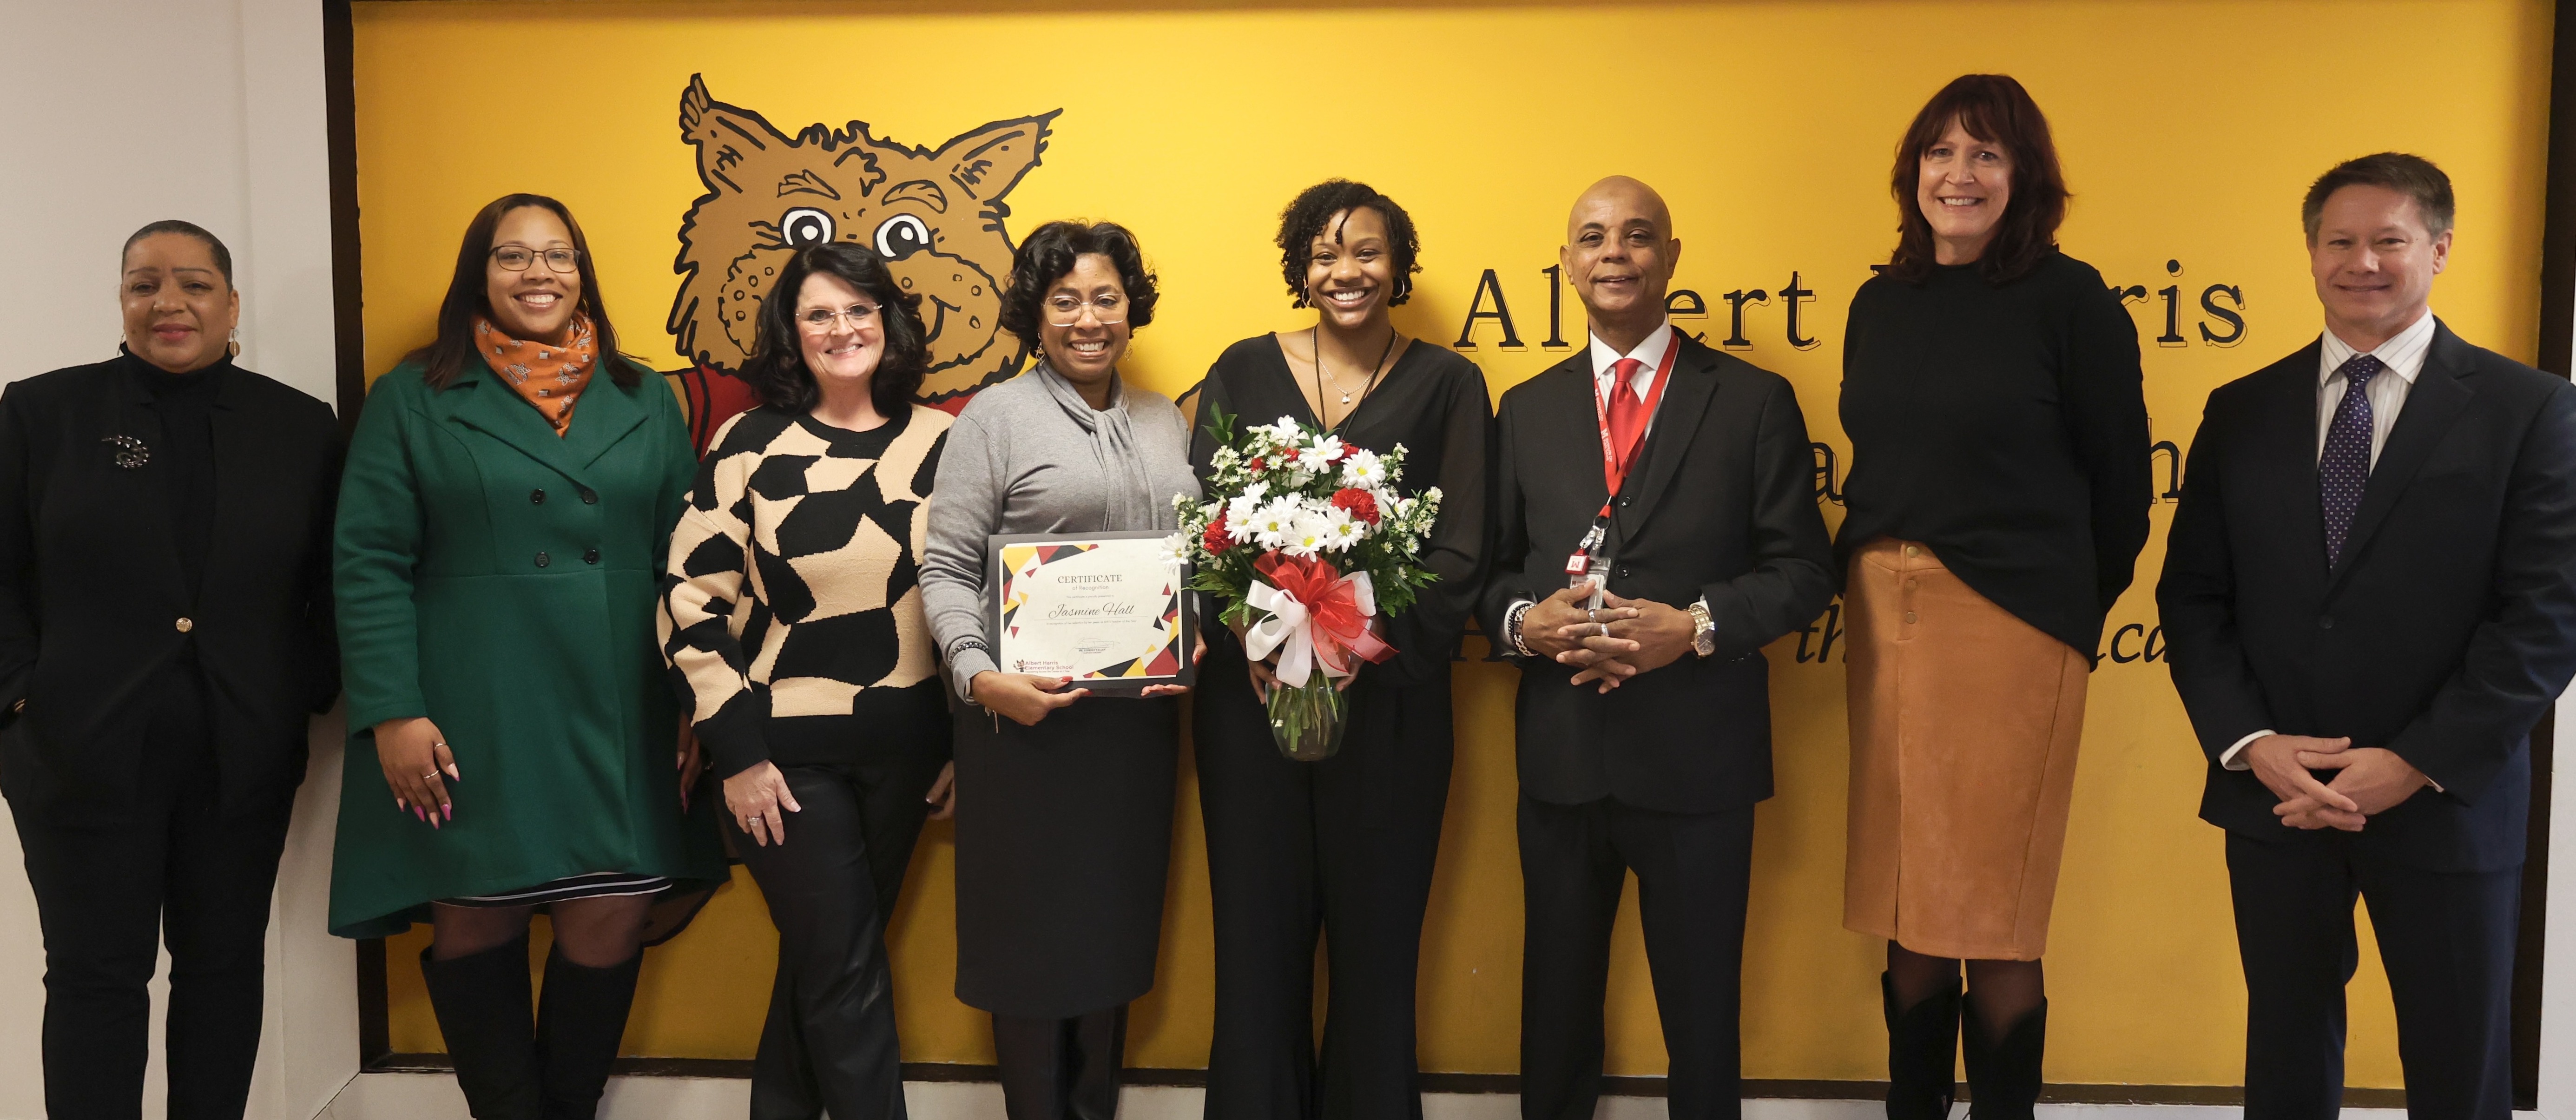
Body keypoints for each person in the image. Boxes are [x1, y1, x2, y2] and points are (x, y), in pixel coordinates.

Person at [2159, 153, 2576, 1120]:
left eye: (2389, 240)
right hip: (2280, 796)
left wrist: (2416, 759)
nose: (2364, 262)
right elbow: (2195, 598)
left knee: (2459, 1065)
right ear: (2310, 254)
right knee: (2287, 1056)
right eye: (2340, 241)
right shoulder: (2242, 409)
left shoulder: (2531, 410)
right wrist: (2252, 744)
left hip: (2445, 799)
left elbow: (2548, 616)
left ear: (2438, 248)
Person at [329, 193, 726, 1120]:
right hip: (474, 701)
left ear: (583, 272)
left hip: (625, 697)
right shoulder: (413, 393)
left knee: (614, 907)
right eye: (513, 256)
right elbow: (369, 558)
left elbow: (691, 563)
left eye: (557, 255)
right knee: (477, 911)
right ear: (480, 273)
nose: (538, 273)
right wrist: (393, 707)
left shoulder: (643, 396)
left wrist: (690, 700)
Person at [1478, 177, 1834, 1120]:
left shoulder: (1754, 400)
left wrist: (1698, 625)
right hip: (1562, 757)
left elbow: (1804, 570)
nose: (1615, 253)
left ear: (1672, 257)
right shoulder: (1525, 408)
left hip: (1699, 758)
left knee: (1703, 1018)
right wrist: (1526, 621)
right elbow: (1486, 575)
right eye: (1593, 237)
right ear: (1567, 263)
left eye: (1638, 236)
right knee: (1553, 1015)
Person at [1832, 74, 2150, 1118]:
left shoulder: (2073, 300)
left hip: (2014, 627)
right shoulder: (1880, 301)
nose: (1958, 174)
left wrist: (2055, 614)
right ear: (1911, 172)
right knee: (1905, 896)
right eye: (1940, 152)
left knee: (1994, 911)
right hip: (1885, 618)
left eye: (1986, 155)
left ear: (2026, 180)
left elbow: (2121, 490)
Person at [0, 221, 339, 1119]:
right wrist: (20, 697)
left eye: (193, 284)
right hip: (76, 755)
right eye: (144, 284)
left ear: (232, 305)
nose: (168, 304)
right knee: (94, 978)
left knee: (224, 971)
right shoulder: (41, 414)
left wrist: (300, 688)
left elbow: (334, 584)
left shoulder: (301, 427)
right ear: (121, 300)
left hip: (243, 756)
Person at [1188, 180, 1491, 1120]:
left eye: (1366, 250)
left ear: (1398, 262)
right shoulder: (1241, 367)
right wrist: (1258, 627)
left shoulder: (1448, 381)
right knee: (1255, 944)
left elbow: (1463, 548)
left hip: (1391, 706)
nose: (1345, 270)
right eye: (1325, 253)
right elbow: (1205, 526)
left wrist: (1353, 638)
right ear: (1300, 268)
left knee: (1377, 948)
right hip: (1251, 704)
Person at [661, 242, 959, 1120]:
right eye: (819, 314)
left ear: (888, 320)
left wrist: (959, 742)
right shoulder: (747, 444)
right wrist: (741, 755)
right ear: (792, 335)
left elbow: (975, 597)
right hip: (784, 765)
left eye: (859, 309)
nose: (843, 329)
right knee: (847, 974)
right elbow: (688, 603)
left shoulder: (948, 442)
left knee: (826, 968)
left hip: (909, 755)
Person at [920, 219, 1200, 1120]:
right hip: (1023, 730)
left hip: (1135, 729)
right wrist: (976, 674)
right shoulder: (993, 418)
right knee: (1032, 954)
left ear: (1132, 306)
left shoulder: (1163, 418)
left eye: (1106, 297)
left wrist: (1195, 645)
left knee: (1112, 940)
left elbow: (1191, 558)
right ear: (1035, 314)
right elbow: (948, 566)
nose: (1089, 318)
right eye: (1066, 299)